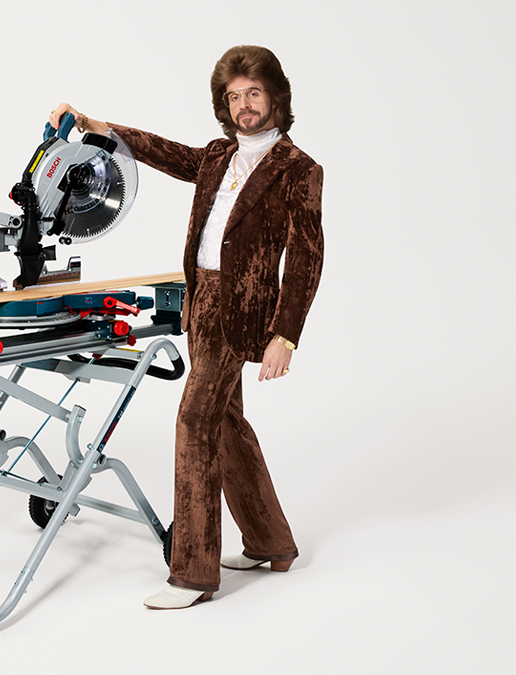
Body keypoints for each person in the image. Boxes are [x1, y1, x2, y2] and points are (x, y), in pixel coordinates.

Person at [49, 44, 324, 610]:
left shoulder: (299, 170)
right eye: (234, 96)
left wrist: (285, 333)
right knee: (224, 421)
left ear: (276, 96)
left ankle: (193, 572)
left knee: (194, 423)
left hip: (240, 310)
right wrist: (101, 128)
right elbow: (162, 151)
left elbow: (306, 257)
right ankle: (272, 542)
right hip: (199, 299)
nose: (244, 106)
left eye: (254, 94)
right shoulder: (218, 156)